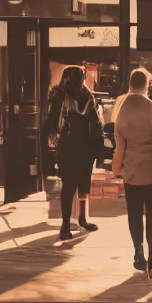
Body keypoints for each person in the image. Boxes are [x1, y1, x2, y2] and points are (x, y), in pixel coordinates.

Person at [112, 68, 152, 278]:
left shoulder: (121, 111)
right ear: (147, 85)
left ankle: (138, 251)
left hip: (131, 171)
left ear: (130, 84)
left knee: (134, 212)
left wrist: (118, 168)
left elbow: (120, 143)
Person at [44, 66, 104, 241]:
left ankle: (74, 222)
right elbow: (95, 122)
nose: (79, 81)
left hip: (74, 146)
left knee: (75, 185)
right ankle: (72, 222)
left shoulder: (65, 95)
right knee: (75, 185)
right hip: (80, 146)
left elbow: (52, 120)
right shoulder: (82, 95)